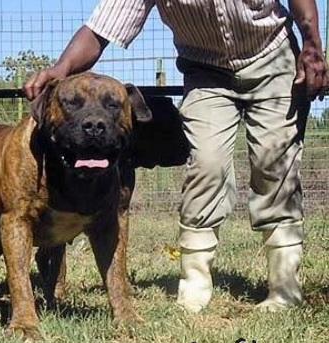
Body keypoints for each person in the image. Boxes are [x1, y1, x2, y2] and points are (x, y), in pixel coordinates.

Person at [24, 0, 329, 312]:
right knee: (206, 165)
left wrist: (312, 45)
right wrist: (61, 68)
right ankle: (195, 283)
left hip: (273, 57)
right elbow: (100, 29)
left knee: (273, 163)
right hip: (206, 71)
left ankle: (283, 286)